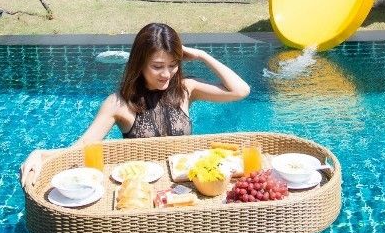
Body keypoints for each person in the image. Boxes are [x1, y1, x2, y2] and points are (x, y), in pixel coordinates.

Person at [19, 23, 251, 185]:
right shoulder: (119, 103)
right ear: (139, 64)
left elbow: (240, 91)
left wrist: (202, 55)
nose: (166, 74)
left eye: (173, 65)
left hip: (185, 187)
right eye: (157, 66)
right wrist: (42, 155)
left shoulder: (185, 90)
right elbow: (83, 146)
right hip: (141, 192)